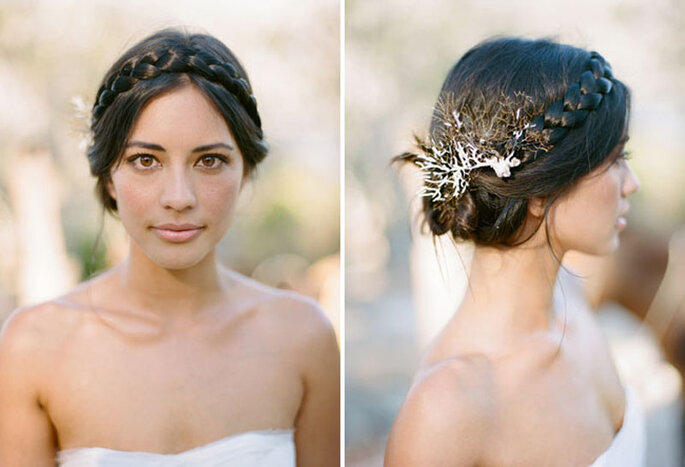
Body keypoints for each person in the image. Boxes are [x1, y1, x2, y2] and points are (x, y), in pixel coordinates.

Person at [0, 28, 339, 466]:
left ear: (247, 173)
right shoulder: (34, 345)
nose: (179, 197)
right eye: (145, 160)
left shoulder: (303, 336)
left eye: (209, 160)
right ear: (108, 177)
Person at [385, 37, 643, 466]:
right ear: (539, 191)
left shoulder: (574, 315)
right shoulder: (446, 409)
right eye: (616, 158)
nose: (631, 182)